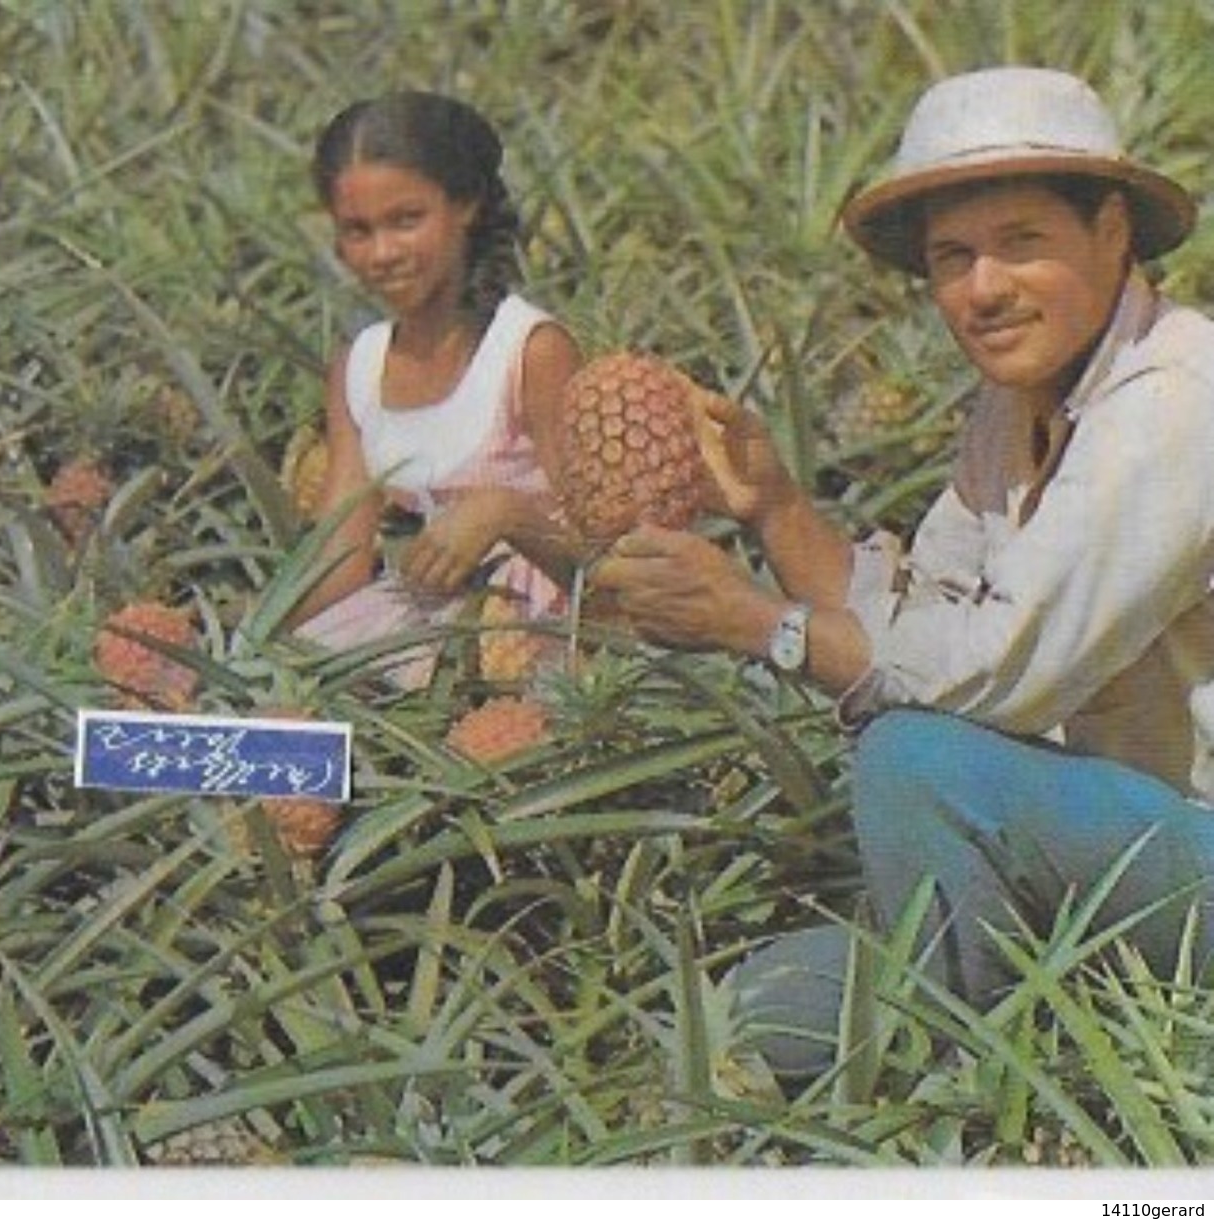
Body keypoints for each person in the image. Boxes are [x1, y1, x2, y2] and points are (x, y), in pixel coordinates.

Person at [592, 66, 1214, 1018]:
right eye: (951, 257)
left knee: (913, 760)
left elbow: (987, 679)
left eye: (1021, 243)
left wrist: (753, 623)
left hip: (1187, 847)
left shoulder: (1177, 400)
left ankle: (983, 1085)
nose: (983, 289)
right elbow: (913, 619)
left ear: (1112, 231)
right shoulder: (1015, 408)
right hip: (1106, 842)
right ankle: (1010, 1020)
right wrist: (775, 507)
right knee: (749, 1010)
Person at [288, 91, 582, 689]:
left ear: (466, 205)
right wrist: (262, 661)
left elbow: (607, 554)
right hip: (433, 613)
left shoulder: (531, 350)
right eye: (358, 231)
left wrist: (506, 513)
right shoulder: (359, 365)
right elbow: (337, 557)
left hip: (550, 632)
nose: (383, 253)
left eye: (406, 220)